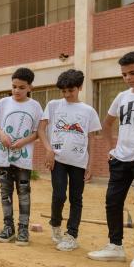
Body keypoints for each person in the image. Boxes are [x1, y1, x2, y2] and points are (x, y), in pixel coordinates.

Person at [87, 51, 134, 267]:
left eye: (133, 72)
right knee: (112, 201)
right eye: (124, 74)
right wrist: (112, 148)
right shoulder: (122, 97)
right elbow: (107, 123)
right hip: (121, 158)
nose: (128, 78)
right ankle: (115, 246)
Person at [37, 69, 101, 251]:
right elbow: (41, 129)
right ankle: (55, 224)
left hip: (79, 162)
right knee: (59, 195)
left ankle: (72, 234)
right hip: (57, 160)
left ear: (79, 87)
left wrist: (90, 164)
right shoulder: (53, 105)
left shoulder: (88, 111)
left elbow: (91, 138)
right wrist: (48, 150)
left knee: (76, 198)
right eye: (63, 91)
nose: (66, 95)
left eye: (70, 90)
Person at [0, 67, 42, 246]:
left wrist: (23, 141)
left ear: (30, 87)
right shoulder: (3, 103)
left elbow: (38, 133)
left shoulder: (35, 106)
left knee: (24, 194)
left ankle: (23, 229)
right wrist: (2, 135)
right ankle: (8, 227)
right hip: (4, 158)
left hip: (23, 159)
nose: (17, 90)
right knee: (5, 192)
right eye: (14, 86)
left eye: (21, 87)